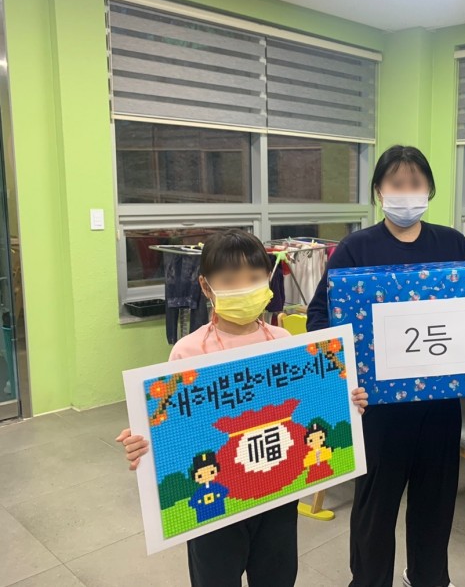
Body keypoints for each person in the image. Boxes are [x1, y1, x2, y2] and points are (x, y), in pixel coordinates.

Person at [116, 229, 369, 587]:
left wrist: (346, 402)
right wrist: (144, 441)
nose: (244, 288)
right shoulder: (188, 352)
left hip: (278, 494)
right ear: (206, 287)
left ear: (268, 281)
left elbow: (310, 406)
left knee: (277, 575)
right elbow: (174, 424)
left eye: (253, 278)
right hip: (216, 507)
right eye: (230, 281)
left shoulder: (284, 342)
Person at [307, 145, 465, 587]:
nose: (406, 191)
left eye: (415, 183)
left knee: (435, 503)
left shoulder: (452, 244)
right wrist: (345, 375)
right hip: (377, 408)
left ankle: (428, 577)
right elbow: (319, 318)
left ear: (429, 189)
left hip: (440, 404)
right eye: (396, 183)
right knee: (375, 507)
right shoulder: (356, 248)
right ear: (379, 190)